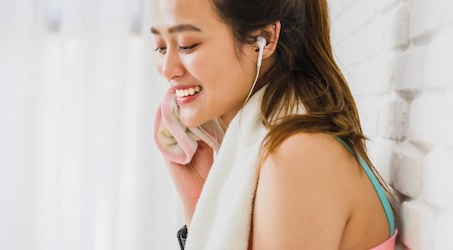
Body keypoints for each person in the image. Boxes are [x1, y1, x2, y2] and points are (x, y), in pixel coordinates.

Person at [151, 0, 398, 249]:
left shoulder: (299, 156)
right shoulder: (276, 152)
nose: (167, 69)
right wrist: (198, 204)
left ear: (264, 39)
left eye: (187, 45)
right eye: (160, 48)